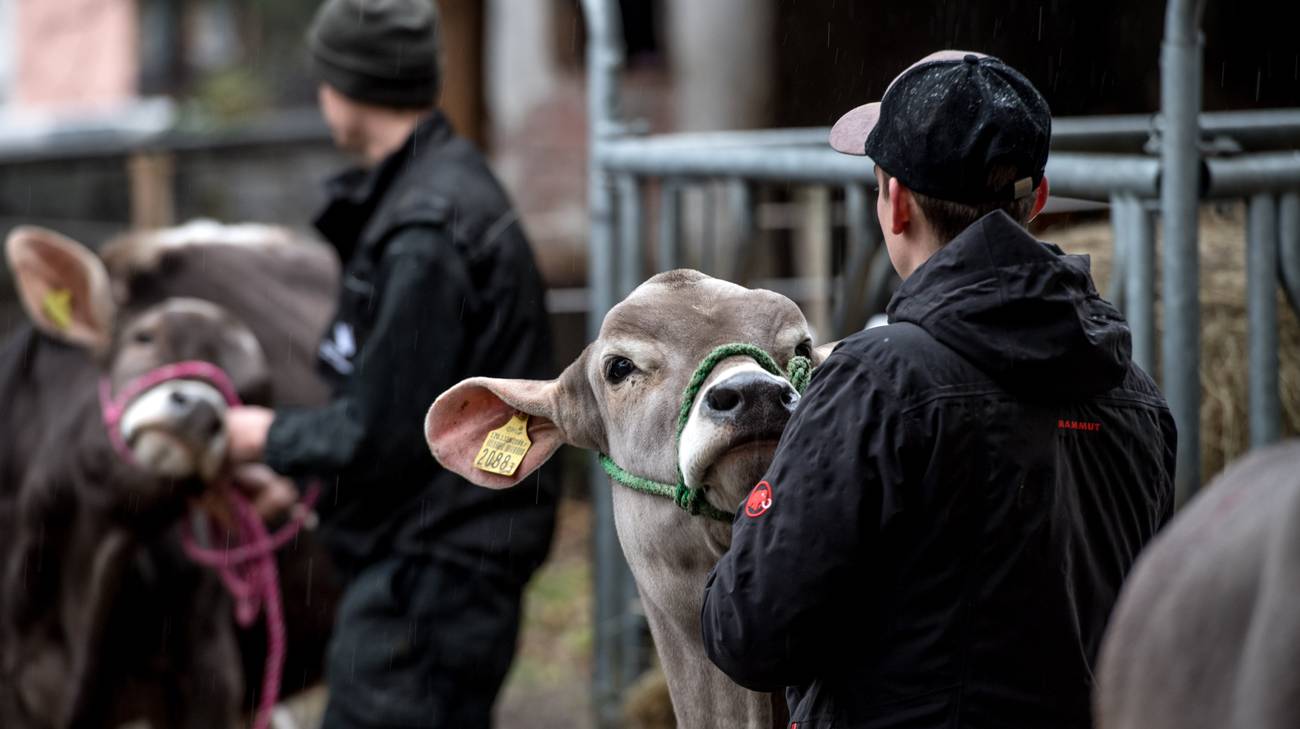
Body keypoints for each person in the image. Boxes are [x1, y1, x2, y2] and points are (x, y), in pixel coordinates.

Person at [700, 50, 1176, 728]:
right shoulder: (1137, 397)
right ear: (1036, 201)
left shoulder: (877, 380)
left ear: (894, 203)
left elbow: (747, 632)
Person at [222, 1, 558, 726]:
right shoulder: (437, 187)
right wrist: (308, 484)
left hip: (431, 577)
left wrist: (260, 437)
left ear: (344, 85)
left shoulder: (425, 232)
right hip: (439, 560)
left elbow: (383, 429)